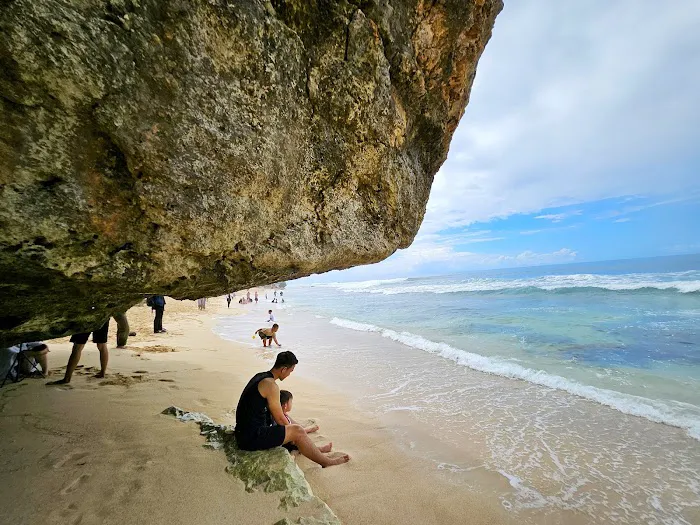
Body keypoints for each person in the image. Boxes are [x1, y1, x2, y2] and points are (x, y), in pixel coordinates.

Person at [234, 351, 349, 467]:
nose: (289, 374)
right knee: (296, 431)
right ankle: (327, 462)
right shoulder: (271, 385)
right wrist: (293, 435)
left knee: (290, 429)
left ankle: (313, 449)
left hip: (243, 433)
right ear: (284, 369)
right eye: (290, 371)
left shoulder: (261, 376)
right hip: (250, 438)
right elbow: (279, 419)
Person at [48, 319, 110, 385]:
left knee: (77, 347)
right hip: (102, 317)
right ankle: (102, 373)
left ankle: (67, 378)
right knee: (102, 345)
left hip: (85, 318)